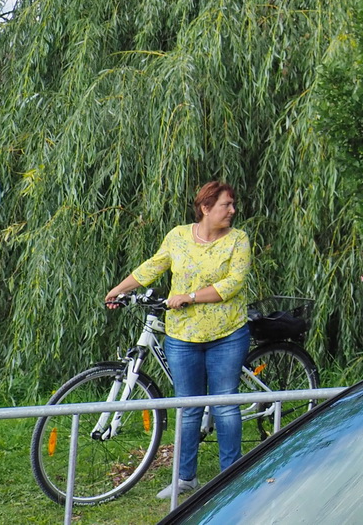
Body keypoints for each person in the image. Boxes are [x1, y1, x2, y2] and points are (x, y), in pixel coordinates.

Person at [104, 180, 251, 500]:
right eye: (226, 205)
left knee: (224, 404)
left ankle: (232, 476)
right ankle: (185, 478)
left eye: (232, 204)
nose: (233, 210)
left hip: (227, 335)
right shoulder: (178, 237)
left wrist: (191, 296)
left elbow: (233, 284)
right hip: (182, 337)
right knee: (187, 407)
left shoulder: (238, 240)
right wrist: (120, 288)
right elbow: (152, 267)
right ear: (206, 208)